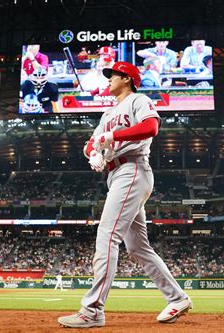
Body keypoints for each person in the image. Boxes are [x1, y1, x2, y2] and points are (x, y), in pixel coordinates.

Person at [58, 62, 191, 328]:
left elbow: (151, 127)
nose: (108, 80)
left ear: (127, 78)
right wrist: (93, 152)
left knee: (107, 236)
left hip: (132, 169)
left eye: (113, 75)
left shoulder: (139, 100)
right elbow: (91, 143)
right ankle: (177, 298)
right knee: (138, 247)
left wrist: (112, 136)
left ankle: (93, 310)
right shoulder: (107, 113)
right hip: (116, 174)